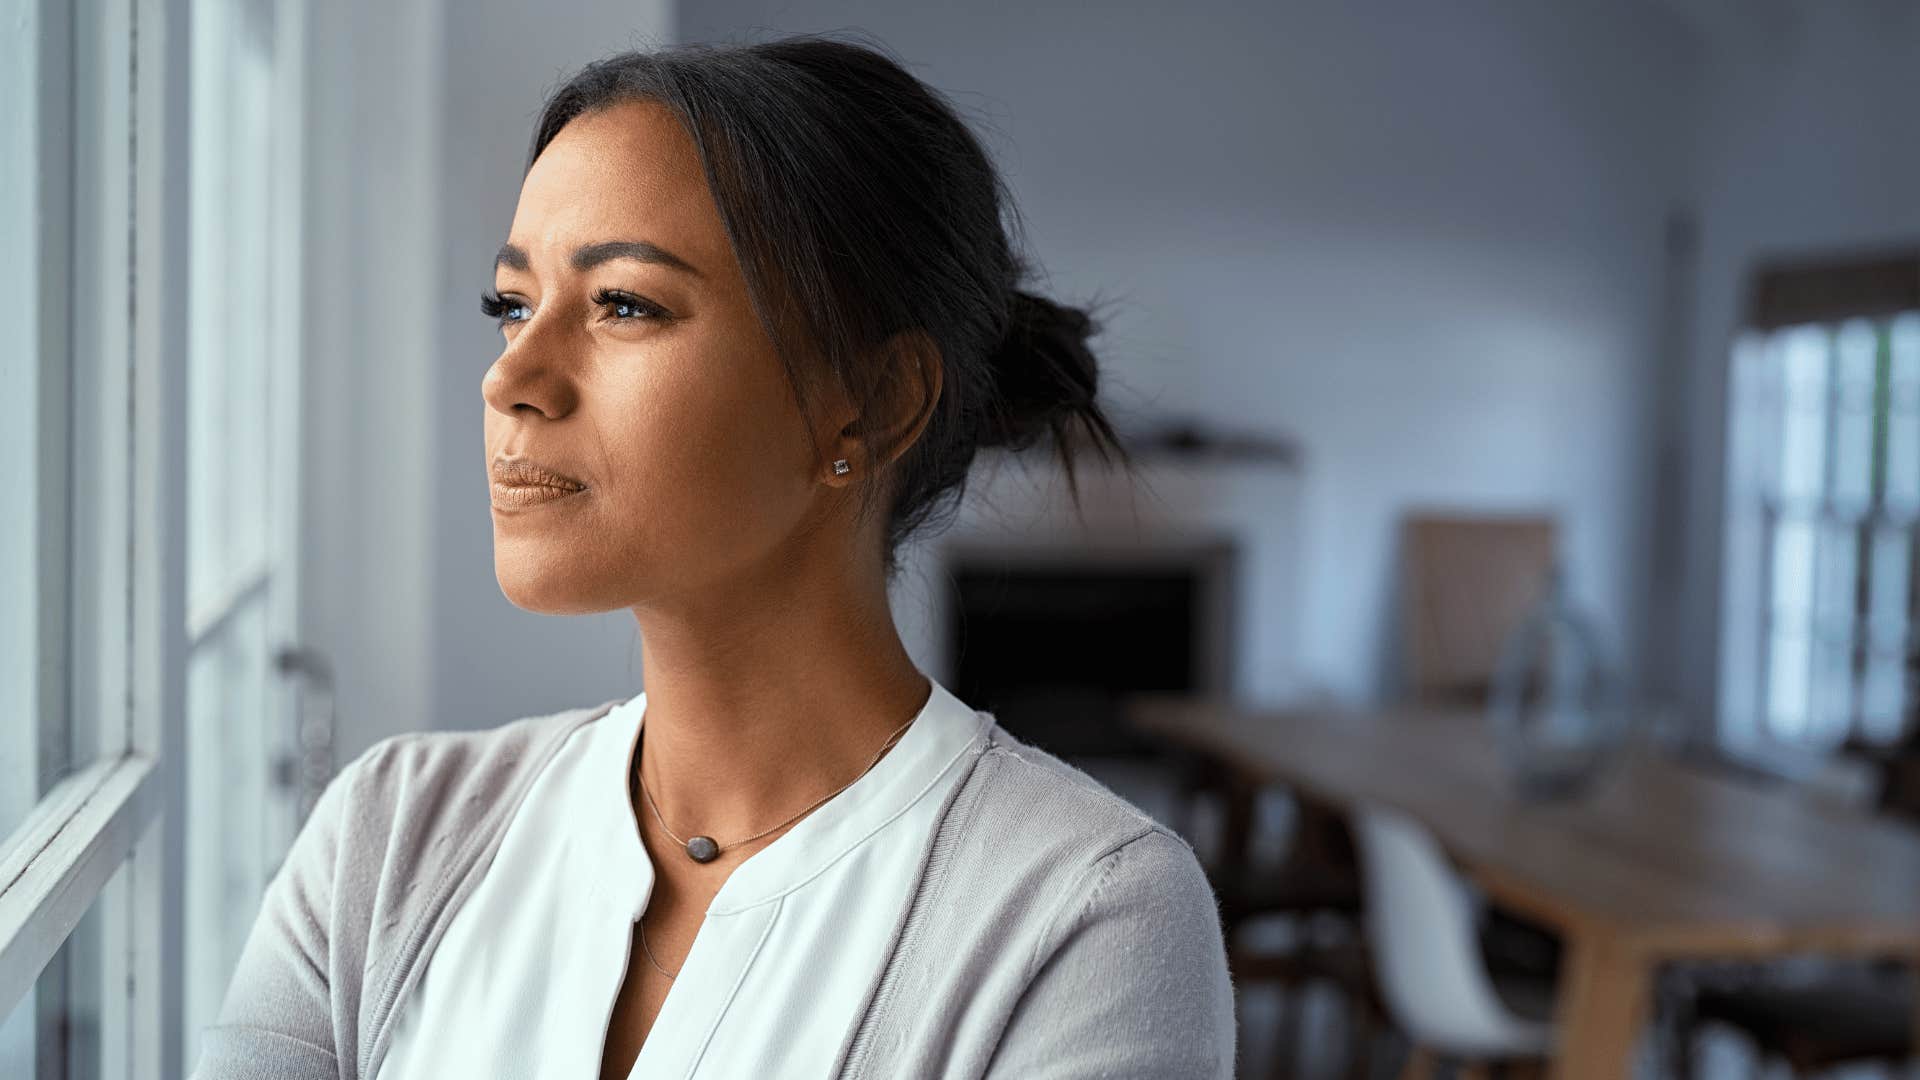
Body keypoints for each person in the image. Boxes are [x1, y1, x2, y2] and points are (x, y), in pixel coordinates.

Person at [192, 33, 1235, 1080]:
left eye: (624, 305)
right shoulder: (388, 838)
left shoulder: (1088, 920)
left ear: (872, 404)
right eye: (513, 304)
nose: (512, 378)